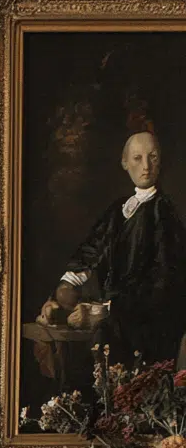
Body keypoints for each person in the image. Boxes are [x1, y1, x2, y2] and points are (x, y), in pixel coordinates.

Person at [40, 132, 186, 366]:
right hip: (111, 315)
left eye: (153, 157)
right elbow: (91, 250)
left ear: (161, 161)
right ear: (124, 163)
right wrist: (66, 287)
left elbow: (165, 285)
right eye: (137, 158)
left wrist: (104, 310)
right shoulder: (118, 210)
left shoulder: (164, 213)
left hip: (145, 326)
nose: (146, 166)